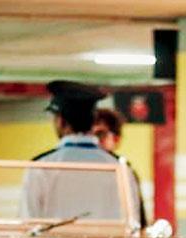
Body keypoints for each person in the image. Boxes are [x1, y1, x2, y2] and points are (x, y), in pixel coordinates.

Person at [21, 80, 142, 227]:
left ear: (60, 122)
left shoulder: (41, 167)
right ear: (92, 122)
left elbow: (27, 223)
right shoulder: (120, 169)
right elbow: (134, 223)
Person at [93, 107, 149, 226]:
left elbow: (138, 219)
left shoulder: (124, 170)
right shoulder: (74, 165)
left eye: (100, 134)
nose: (93, 140)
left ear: (116, 139)